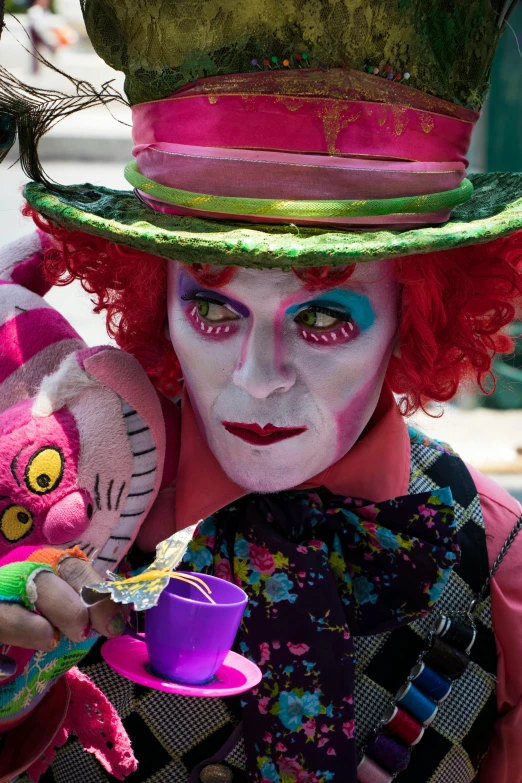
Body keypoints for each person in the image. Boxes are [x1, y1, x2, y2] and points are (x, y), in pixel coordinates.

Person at [1, 1, 522, 782]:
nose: (256, 376)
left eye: (323, 317)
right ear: (157, 299)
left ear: (415, 310)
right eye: (212, 307)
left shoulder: (494, 552)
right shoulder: (59, 498)